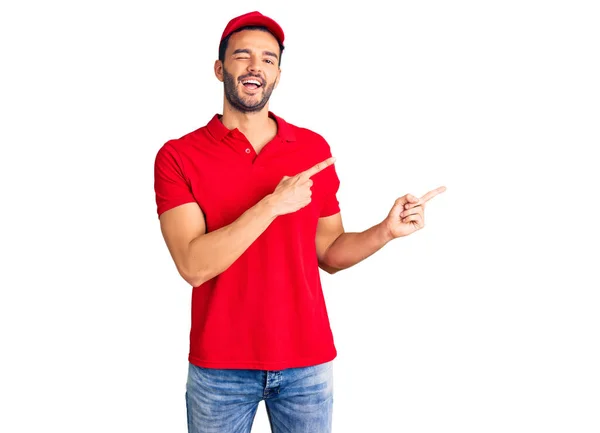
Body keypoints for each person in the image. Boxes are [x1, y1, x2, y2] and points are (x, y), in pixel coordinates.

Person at [153, 10, 446, 433]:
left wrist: (385, 231)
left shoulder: (311, 148)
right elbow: (193, 265)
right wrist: (271, 205)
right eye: (243, 56)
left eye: (268, 59)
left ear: (278, 74)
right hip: (220, 368)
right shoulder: (178, 156)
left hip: (307, 365)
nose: (256, 66)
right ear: (220, 69)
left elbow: (329, 251)